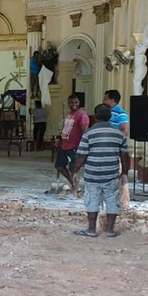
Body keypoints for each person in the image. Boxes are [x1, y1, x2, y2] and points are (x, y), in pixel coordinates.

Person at [73, 104, 130, 238]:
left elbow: (82, 155)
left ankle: (91, 230)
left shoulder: (89, 133)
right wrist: (125, 173)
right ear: (110, 117)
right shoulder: (119, 134)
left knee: (92, 200)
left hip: (92, 174)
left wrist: (75, 171)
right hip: (110, 174)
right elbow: (124, 155)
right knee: (112, 200)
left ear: (95, 117)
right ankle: (110, 230)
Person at [57, 94, 90, 198]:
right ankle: (75, 185)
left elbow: (85, 131)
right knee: (59, 166)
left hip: (75, 146)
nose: (73, 104)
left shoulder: (82, 115)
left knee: (74, 169)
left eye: (75, 102)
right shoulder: (69, 114)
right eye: (71, 102)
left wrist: (84, 146)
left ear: (79, 103)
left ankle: (75, 191)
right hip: (64, 144)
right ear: (68, 103)